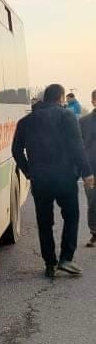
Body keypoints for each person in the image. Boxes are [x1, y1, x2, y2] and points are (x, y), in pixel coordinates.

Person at [12, 83, 94, 278]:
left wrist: (29, 172)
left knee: (44, 222)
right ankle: (66, 259)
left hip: (40, 180)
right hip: (65, 177)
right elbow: (77, 147)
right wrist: (87, 173)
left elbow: (16, 151)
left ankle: (50, 263)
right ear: (61, 98)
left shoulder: (26, 121)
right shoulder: (67, 117)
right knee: (72, 216)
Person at [79, 88, 96, 248]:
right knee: (93, 202)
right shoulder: (83, 122)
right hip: (91, 169)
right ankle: (94, 233)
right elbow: (78, 146)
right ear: (93, 101)